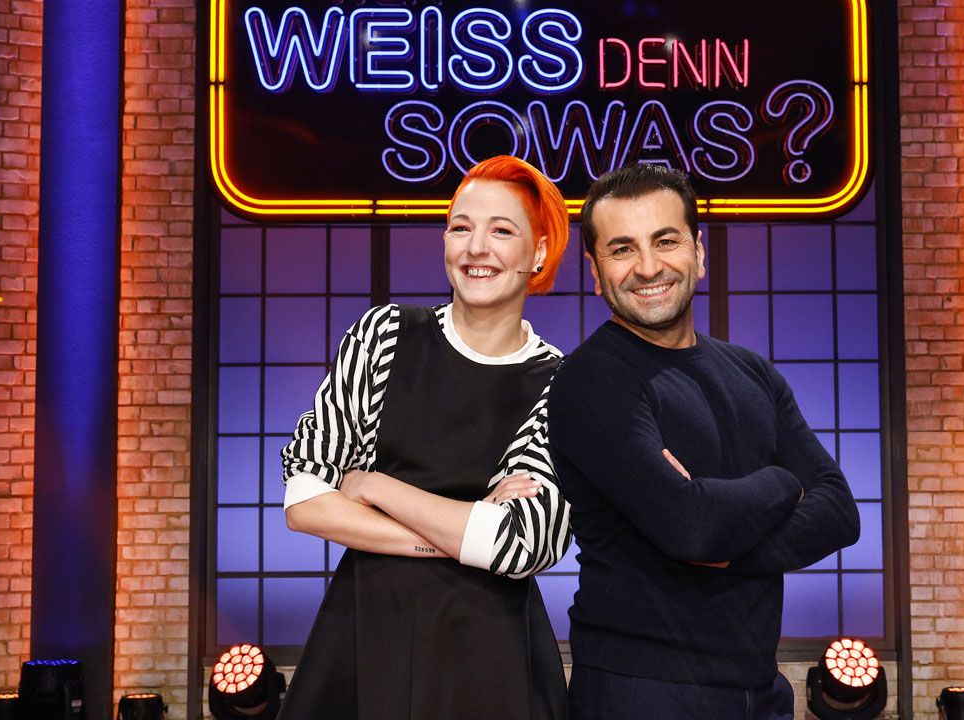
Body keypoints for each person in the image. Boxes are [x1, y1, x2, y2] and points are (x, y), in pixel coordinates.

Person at [546, 163, 861, 720]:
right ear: (595, 272)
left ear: (698, 252)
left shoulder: (752, 372)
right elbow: (693, 528)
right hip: (642, 690)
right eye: (622, 249)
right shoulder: (590, 380)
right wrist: (784, 482)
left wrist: (724, 544)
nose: (648, 267)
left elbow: (839, 511)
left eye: (665, 241)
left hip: (761, 686)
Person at [278, 155, 572, 720]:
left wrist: (374, 486)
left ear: (538, 252)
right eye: (461, 227)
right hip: (366, 632)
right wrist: (464, 532)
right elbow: (305, 500)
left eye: (501, 231)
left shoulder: (560, 383)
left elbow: (519, 545)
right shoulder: (383, 336)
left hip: (491, 650)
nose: (475, 248)